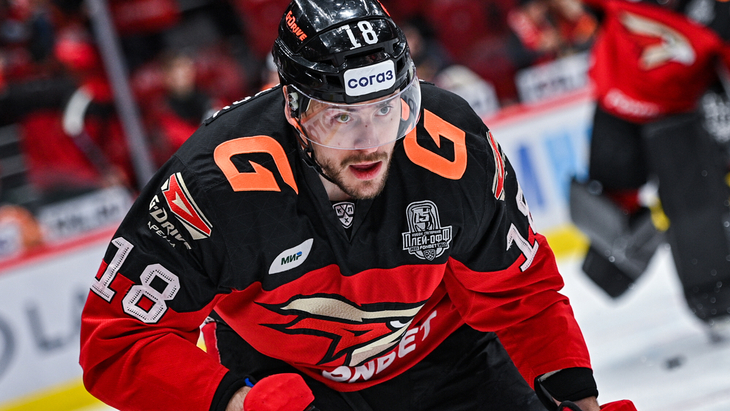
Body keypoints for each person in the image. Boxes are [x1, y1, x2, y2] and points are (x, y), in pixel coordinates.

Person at [79, 1, 638, 410]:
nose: (371, 142)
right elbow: (116, 341)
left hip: (450, 361)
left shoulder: (453, 148)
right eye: (341, 117)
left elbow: (521, 294)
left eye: (386, 108)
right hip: (284, 388)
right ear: (294, 107)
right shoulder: (213, 186)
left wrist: (578, 402)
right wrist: (235, 403)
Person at [569, 0, 730, 341]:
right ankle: (603, 283)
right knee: (606, 216)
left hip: (680, 119)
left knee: (696, 215)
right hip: (615, 112)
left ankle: (715, 302)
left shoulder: (719, 11)